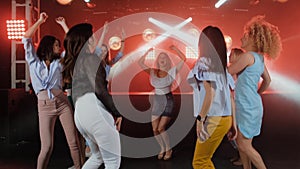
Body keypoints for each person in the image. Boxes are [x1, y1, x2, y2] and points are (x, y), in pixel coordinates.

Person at [22, 12, 81, 169]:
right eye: (56, 45)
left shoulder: (59, 62)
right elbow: (26, 37)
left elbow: (72, 45)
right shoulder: (34, 61)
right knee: (47, 146)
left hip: (62, 103)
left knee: (73, 142)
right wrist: (39, 22)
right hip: (44, 106)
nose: (58, 47)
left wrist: (63, 25)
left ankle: (78, 167)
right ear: (48, 46)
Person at [62, 22, 122, 169]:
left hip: (80, 115)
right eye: (93, 34)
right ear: (88, 39)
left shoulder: (76, 64)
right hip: (94, 111)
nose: (95, 37)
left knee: (97, 157)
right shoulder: (90, 60)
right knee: (112, 162)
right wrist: (117, 113)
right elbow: (100, 90)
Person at [228, 15, 282, 169]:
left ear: (254, 39)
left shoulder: (247, 56)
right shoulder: (258, 58)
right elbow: (268, 80)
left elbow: (228, 71)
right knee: (242, 144)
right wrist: (257, 94)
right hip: (250, 105)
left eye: (246, 35)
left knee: (244, 146)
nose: (242, 37)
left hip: (246, 107)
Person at [187, 26, 237, 169]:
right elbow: (230, 96)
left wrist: (200, 120)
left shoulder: (203, 63)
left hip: (213, 118)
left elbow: (210, 93)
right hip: (225, 119)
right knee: (204, 160)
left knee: (200, 162)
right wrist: (233, 123)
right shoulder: (221, 67)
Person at [138, 45, 186, 160]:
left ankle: (169, 148)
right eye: (160, 57)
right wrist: (147, 52)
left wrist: (175, 49)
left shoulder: (172, 71)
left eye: (164, 57)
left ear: (167, 60)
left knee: (161, 128)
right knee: (154, 129)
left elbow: (184, 59)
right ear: (158, 61)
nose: (162, 59)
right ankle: (162, 148)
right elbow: (140, 62)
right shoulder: (153, 72)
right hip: (157, 100)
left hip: (168, 99)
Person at [228, 47, 244, 166]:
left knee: (236, 130)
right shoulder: (232, 71)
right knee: (231, 131)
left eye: (231, 54)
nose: (229, 56)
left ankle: (242, 157)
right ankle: (239, 154)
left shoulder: (239, 73)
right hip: (231, 103)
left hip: (237, 105)